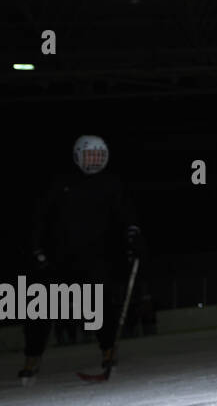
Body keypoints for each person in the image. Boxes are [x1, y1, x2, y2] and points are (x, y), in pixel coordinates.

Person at [20, 135, 141, 384]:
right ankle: (32, 357)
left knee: (102, 305)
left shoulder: (111, 184)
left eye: (99, 156)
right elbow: (40, 218)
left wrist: (132, 235)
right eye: (89, 156)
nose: (94, 161)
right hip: (58, 259)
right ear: (77, 156)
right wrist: (37, 250)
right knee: (41, 306)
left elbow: (125, 215)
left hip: (95, 258)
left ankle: (108, 352)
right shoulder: (60, 183)